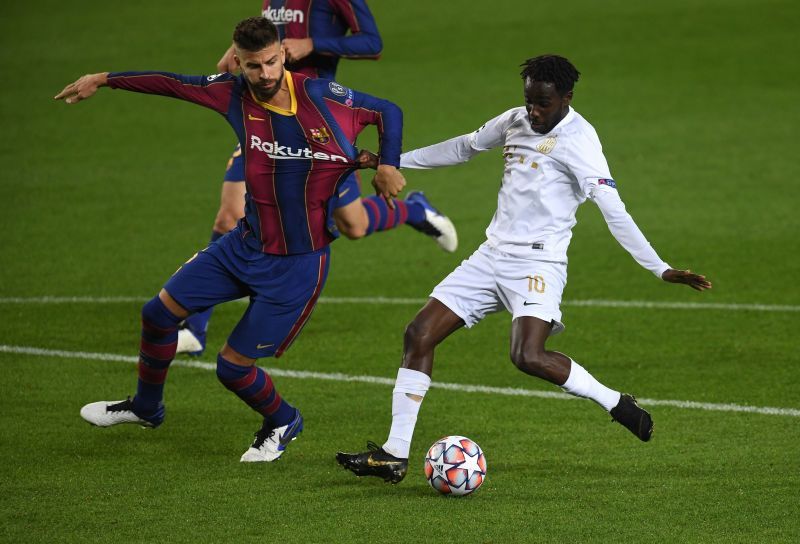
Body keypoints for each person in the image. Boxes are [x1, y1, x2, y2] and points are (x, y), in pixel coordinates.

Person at [336, 55, 712, 483]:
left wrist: (659, 268)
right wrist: (390, 160)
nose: (533, 111)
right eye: (529, 100)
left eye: (543, 104)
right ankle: (394, 454)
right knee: (418, 334)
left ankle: (615, 402)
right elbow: (463, 147)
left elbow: (614, 210)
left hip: (539, 261)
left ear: (566, 98)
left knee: (527, 356)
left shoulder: (581, 141)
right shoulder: (515, 120)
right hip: (491, 255)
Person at [55, 17, 409, 462]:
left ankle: (282, 420)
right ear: (237, 61)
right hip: (242, 246)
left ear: (283, 53)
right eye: (253, 66)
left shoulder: (321, 96)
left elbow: (387, 110)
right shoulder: (231, 93)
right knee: (157, 316)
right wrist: (103, 79)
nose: (264, 75)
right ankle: (146, 407)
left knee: (232, 367)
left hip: (296, 266)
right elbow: (171, 83)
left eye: (271, 62)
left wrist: (388, 162)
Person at [178, 0, 456, 357]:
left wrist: (312, 45)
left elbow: (372, 43)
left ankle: (414, 210)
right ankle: (195, 328)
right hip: (261, 121)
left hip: (316, 129)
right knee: (229, 214)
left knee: (353, 224)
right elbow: (240, 55)